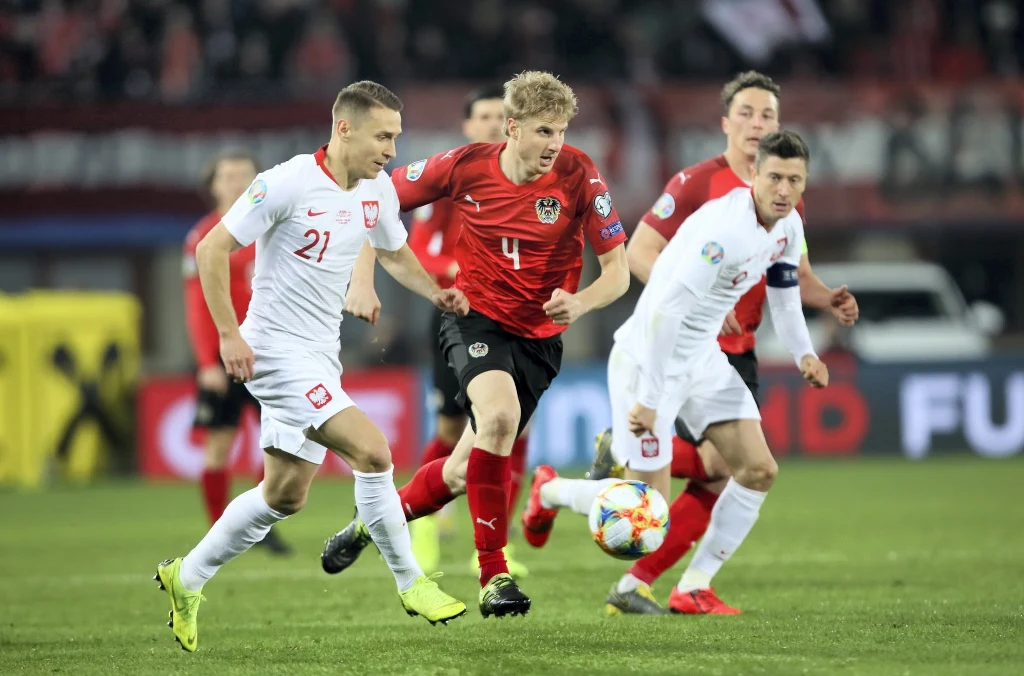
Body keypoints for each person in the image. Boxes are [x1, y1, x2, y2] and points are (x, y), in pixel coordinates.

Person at [154, 81, 470, 652]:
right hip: (273, 351)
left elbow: (396, 252)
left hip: (320, 355)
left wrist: (436, 293)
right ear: (343, 128)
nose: (392, 151)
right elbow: (210, 250)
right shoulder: (286, 182)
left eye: (396, 138)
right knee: (374, 452)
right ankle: (412, 582)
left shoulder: (376, 191)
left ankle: (188, 577)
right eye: (383, 136)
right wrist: (228, 336)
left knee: (284, 495)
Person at [320, 71, 630, 618]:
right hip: (475, 318)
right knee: (500, 418)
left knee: (464, 471)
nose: (554, 144)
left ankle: (373, 521)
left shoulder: (580, 174)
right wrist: (362, 276)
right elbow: (376, 199)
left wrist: (581, 302)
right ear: (511, 128)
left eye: (560, 131)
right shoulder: (464, 165)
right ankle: (494, 575)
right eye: (542, 131)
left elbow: (619, 273)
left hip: (540, 338)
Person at [583, 71, 858, 614]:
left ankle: (684, 585)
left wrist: (814, 325)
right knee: (658, 505)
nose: (758, 123)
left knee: (748, 469)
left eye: (768, 115)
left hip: (724, 351)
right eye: (748, 113)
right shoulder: (700, 191)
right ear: (728, 123)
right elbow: (648, 270)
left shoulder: (787, 212)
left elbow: (785, 279)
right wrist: (706, 308)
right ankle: (580, 486)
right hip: (665, 348)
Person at [524, 130, 828, 615]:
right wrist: (649, 397)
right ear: (755, 174)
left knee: (757, 470)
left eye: (794, 180)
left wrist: (804, 353)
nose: (784, 189)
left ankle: (694, 586)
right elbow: (664, 314)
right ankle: (550, 490)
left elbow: (785, 290)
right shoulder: (722, 232)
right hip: (649, 360)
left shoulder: (788, 225)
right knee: (648, 520)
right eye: (775, 177)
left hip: (702, 360)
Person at [403, 84, 530, 578]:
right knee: (452, 429)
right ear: (467, 125)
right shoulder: (453, 178)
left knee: (514, 425)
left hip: (517, 317)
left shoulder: (530, 177)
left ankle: (500, 539)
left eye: (502, 115)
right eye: (484, 116)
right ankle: (425, 524)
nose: (494, 123)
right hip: (459, 312)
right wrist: (467, 270)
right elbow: (421, 247)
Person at [182, 148, 291, 555]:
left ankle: (260, 526)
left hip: (271, 354)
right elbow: (195, 304)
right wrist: (206, 361)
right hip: (225, 358)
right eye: (227, 176)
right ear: (213, 186)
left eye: (244, 174)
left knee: (275, 444)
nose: (237, 182)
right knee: (220, 444)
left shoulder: (274, 227)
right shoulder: (203, 235)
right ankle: (219, 531)